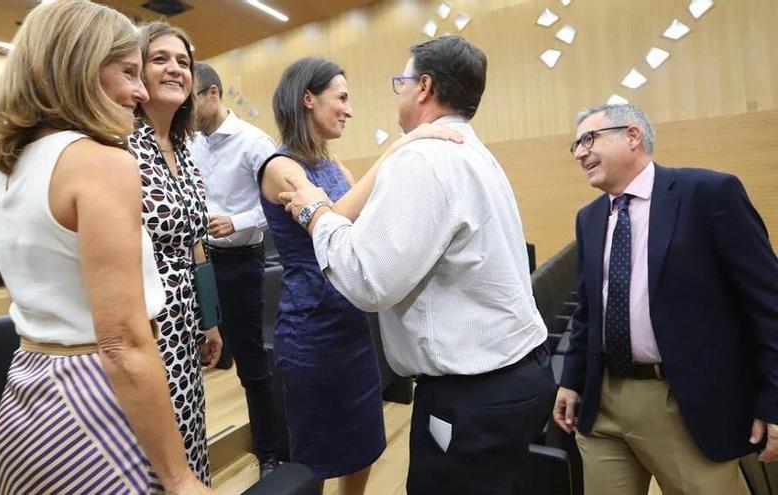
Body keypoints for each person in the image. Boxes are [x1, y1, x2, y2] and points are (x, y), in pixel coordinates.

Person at [278, 37, 556, 495]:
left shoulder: (424, 158)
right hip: (512, 374)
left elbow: (369, 280)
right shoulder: (469, 149)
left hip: (473, 391)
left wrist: (315, 213)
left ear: (423, 87)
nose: (398, 93)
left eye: (401, 83)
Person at [0, 2, 211, 494]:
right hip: (94, 401)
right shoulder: (101, 162)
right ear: (79, 68)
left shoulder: (8, 168)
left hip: (27, 391)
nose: (140, 91)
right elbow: (123, 344)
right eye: (129, 71)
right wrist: (179, 478)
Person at [552, 103, 778, 494]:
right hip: (602, 401)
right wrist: (571, 381)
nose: (579, 153)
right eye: (575, 144)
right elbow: (589, 310)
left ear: (633, 136)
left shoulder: (708, 194)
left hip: (684, 402)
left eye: (589, 139)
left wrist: (774, 398)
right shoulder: (588, 218)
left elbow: (767, 304)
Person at [128, 21, 222, 485]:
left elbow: (196, 242)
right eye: (160, 59)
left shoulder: (184, 149)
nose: (174, 69)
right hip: (143, 325)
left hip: (186, 324)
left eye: (183, 62)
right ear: (137, 71)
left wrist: (210, 317)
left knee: (188, 442)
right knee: (152, 458)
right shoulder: (121, 142)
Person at [189, 62, 280, 478]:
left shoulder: (253, 142)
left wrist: (238, 221)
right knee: (191, 361)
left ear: (211, 93)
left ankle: (269, 451)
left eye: (190, 100)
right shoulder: (189, 142)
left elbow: (280, 202)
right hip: (198, 261)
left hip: (242, 262)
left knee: (251, 364)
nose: (183, 110)